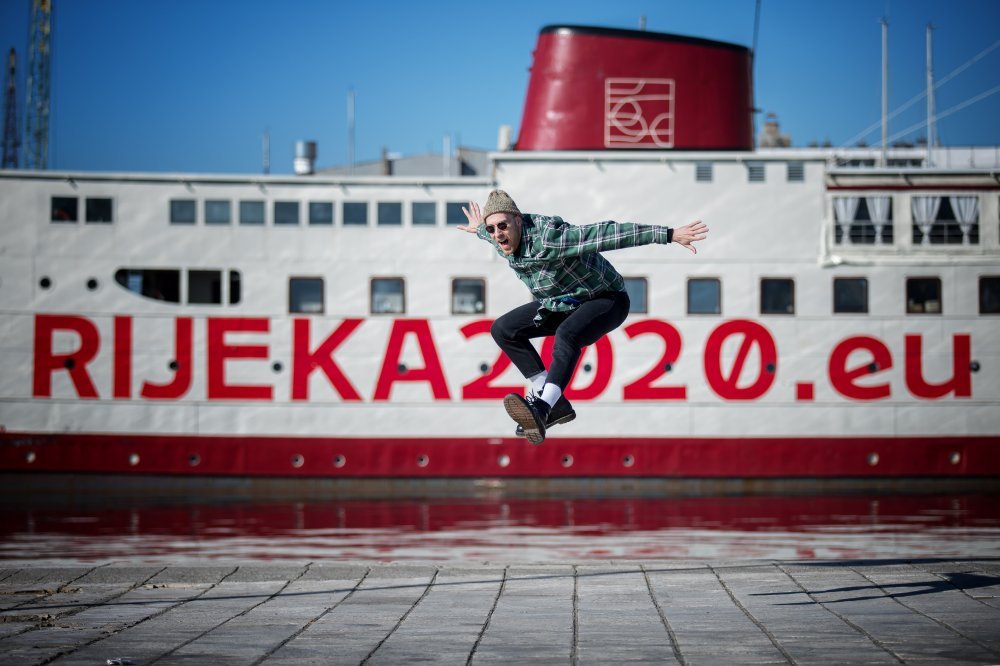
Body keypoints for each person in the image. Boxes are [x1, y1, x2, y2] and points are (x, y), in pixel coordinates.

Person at [460, 190, 708, 444]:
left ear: (518, 221)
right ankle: (553, 402)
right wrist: (479, 229)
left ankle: (543, 407)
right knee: (503, 329)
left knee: (566, 334)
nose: (498, 234)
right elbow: (489, 232)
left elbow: (607, 234)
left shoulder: (551, 239)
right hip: (563, 303)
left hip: (607, 299)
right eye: (491, 229)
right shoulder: (499, 237)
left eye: (502, 226)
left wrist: (668, 234)